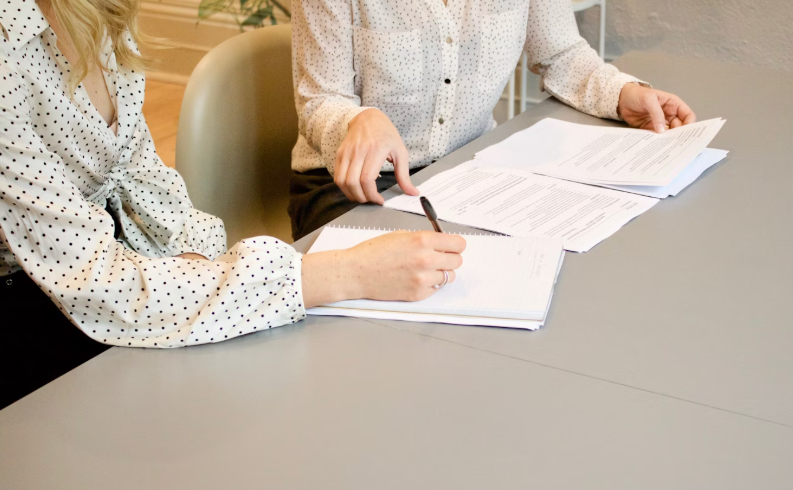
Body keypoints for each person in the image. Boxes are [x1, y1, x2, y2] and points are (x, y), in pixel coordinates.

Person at [0, 0, 465, 410]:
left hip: (110, 266)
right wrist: (345, 273)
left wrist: (196, 261)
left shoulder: (100, 13)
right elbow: (96, 281)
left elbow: (141, 177)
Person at [289, 0, 698, 240]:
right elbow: (319, 98)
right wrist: (358, 120)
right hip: (350, 185)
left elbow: (562, 54)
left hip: (467, 171)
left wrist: (624, 94)